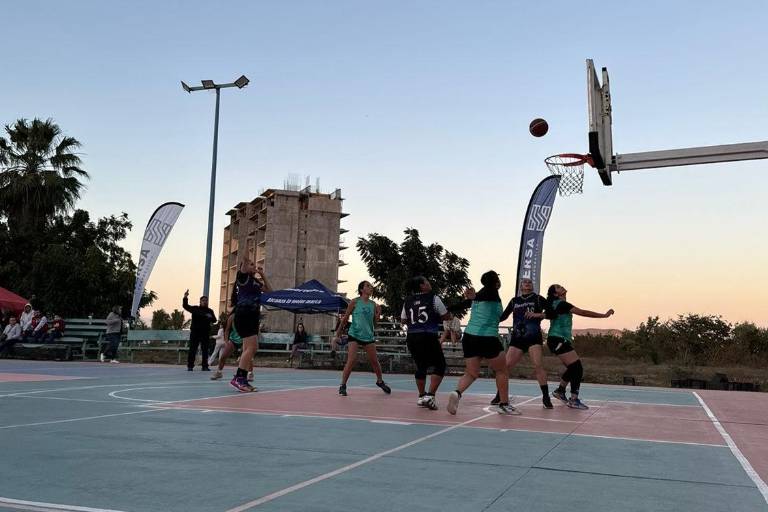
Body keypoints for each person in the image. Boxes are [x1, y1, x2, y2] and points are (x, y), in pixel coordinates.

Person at [447, 271, 518, 416]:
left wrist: (445, 309)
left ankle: (456, 393)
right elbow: (486, 295)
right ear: (496, 282)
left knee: (471, 373)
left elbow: (462, 304)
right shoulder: (491, 293)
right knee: (501, 370)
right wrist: (475, 296)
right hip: (487, 338)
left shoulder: (478, 297)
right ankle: (504, 404)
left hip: (469, 337)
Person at [545, 284, 614, 410]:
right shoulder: (561, 304)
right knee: (577, 368)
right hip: (557, 338)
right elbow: (583, 312)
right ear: (556, 294)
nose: (562, 287)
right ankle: (573, 399)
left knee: (573, 368)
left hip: (558, 339)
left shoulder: (556, 304)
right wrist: (603, 315)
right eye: (558, 287)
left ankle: (560, 391)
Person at [489, 278, 553, 409]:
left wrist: (537, 315)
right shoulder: (514, 301)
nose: (528, 283)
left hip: (533, 338)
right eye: (525, 282)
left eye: (530, 282)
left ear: (532, 286)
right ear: (520, 286)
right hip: (517, 339)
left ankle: (546, 396)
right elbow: (503, 316)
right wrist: (491, 318)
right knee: (504, 367)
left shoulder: (538, 299)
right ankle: (500, 395)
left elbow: (552, 313)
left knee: (538, 366)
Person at [400, 276, 451, 410]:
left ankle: (421, 396)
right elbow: (445, 315)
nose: (430, 284)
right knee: (440, 365)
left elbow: (403, 320)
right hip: (427, 335)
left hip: (412, 337)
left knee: (420, 366)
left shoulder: (408, 300)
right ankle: (430, 395)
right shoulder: (433, 298)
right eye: (427, 282)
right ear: (422, 286)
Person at [334, 280, 391, 396]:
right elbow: (345, 319)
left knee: (375, 361)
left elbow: (375, 324)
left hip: (368, 336)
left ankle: (380, 381)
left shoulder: (373, 305)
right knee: (352, 360)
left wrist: (378, 315)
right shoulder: (354, 302)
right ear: (361, 290)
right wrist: (338, 333)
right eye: (368, 286)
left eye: (370, 286)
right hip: (354, 334)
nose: (371, 287)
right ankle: (343, 385)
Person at [229, 259, 271, 392]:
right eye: (251, 264)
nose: (253, 265)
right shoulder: (243, 278)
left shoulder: (256, 282)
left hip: (252, 317)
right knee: (251, 347)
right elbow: (245, 259)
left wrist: (262, 275)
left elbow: (270, 291)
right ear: (244, 267)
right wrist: (247, 240)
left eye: (254, 264)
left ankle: (243, 379)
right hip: (244, 314)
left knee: (250, 348)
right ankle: (238, 378)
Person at [183, 290, 217, 371]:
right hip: (195, 332)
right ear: (200, 301)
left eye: (206, 301)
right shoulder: (195, 309)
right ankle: (190, 366)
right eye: (203, 301)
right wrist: (185, 297)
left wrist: (210, 317)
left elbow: (214, 320)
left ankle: (205, 366)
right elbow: (185, 306)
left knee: (205, 349)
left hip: (205, 333)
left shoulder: (210, 311)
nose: (205, 302)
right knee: (193, 349)